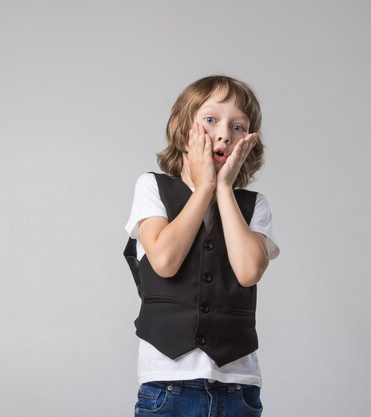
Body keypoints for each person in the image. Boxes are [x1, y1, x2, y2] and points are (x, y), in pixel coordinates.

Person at [124, 75, 280, 417]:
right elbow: (165, 259)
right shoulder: (152, 188)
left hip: (238, 387)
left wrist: (223, 190)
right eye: (210, 120)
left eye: (239, 126)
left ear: (249, 142)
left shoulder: (255, 206)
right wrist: (204, 187)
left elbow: (249, 270)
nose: (225, 133)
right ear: (183, 128)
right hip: (167, 384)